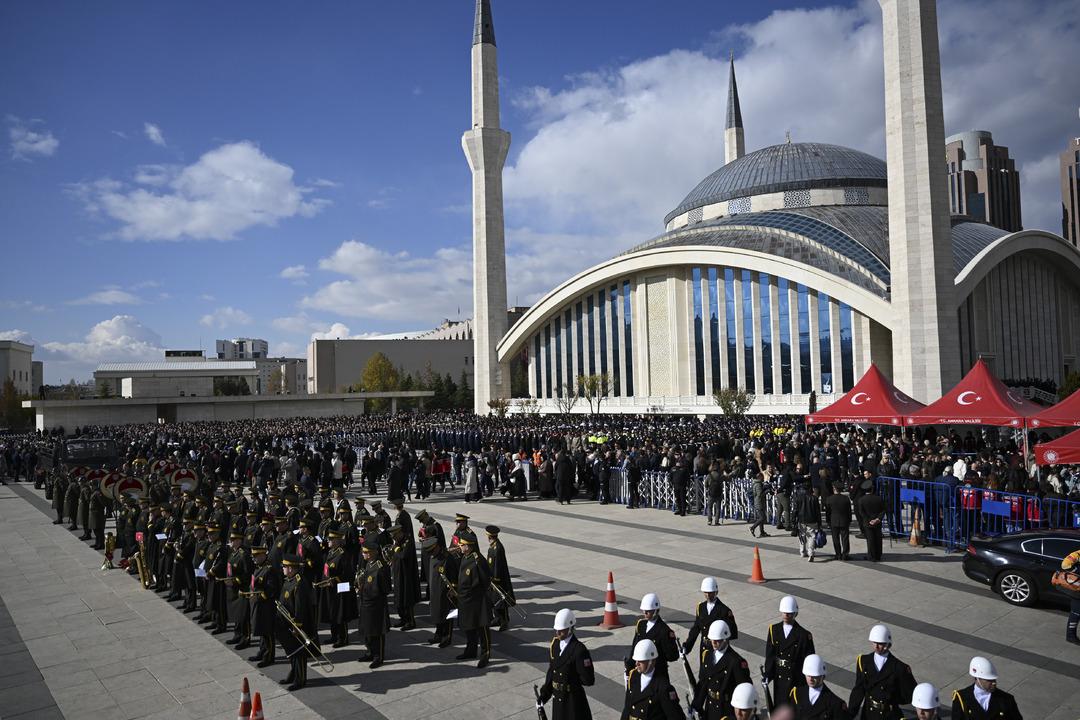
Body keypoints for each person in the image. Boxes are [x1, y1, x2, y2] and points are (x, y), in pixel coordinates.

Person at [848, 624, 917, 720]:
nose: (876, 646)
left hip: (888, 714)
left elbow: (910, 694)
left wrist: (893, 700)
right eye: (874, 642)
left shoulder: (899, 667)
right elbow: (858, 690)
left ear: (888, 644)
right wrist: (850, 713)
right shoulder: (863, 661)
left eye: (880, 643)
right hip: (868, 713)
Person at [536, 608, 595, 719]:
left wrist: (571, 681)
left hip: (572, 702)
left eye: (561, 630)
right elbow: (552, 672)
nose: (558, 633)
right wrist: (544, 694)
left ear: (570, 629)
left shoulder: (579, 650)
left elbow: (588, 680)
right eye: (557, 630)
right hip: (558, 700)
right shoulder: (555, 645)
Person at [690, 620, 751, 719]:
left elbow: (745, 690)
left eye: (717, 640)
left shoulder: (736, 661)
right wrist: (696, 705)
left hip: (726, 710)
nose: (713, 642)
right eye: (712, 639)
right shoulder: (707, 655)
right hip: (710, 707)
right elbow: (703, 682)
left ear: (725, 639)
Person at [763, 596, 815, 708]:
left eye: (789, 613)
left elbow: (810, 661)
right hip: (779, 675)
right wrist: (767, 674)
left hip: (795, 677)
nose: (786, 615)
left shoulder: (804, 635)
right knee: (779, 705)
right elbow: (770, 656)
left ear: (795, 613)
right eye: (784, 612)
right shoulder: (774, 630)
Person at [275, 553, 317, 691]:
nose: (282, 568)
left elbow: (301, 607)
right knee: (291, 651)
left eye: (285, 566)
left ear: (292, 568)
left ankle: (300, 679)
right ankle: (294, 673)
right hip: (285, 622)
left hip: (296, 624)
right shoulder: (289, 579)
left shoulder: (300, 582)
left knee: (298, 653)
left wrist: (297, 626)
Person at [455, 531, 493, 668]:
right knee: (469, 627)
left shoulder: (478, 560)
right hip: (467, 601)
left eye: (462, 544)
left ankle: (485, 654)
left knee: (482, 628)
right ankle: (470, 650)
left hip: (478, 601)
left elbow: (485, 581)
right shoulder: (465, 556)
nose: (459, 546)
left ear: (469, 546)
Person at [621, 639, 684, 720]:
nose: (637, 664)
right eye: (636, 660)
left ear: (651, 661)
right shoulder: (634, 675)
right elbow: (627, 707)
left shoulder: (663, 687)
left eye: (641, 661)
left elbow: (675, 717)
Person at [683, 577, 739, 666]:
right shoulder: (700, 607)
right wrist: (687, 646)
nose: (708, 595)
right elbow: (696, 628)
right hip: (704, 648)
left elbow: (732, 632)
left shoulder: (724, 611)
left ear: (716, 592)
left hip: (718, 648)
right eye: (705, 592)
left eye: (710, 593)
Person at [356, 536, 391, 668]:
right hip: (366, 602)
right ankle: (370, 651)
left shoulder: (381, 567)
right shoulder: (368, 564)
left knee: (377, 632)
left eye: (365, 552)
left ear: (372, 552)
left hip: (376, 605)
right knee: (367, 630)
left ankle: (378, 656)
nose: (363, 554)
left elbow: (386, 588)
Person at [627, 593, 680, 680]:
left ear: (656, 611)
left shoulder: (664, 631)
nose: (645, 612)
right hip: (641, 671)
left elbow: (672, 656)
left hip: (657, 674)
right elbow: (634, 648)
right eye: (644, 610)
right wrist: (629, 667)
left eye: (648, 611)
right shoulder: (641, 625)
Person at [950, 657, 1022, 720]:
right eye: (989, 680)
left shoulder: (1007, 699)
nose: (994, 683)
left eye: (994, 680)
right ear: (977, 678)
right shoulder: (961, 698)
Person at [787, 654, 850, 720]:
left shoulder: (836, 703)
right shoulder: (796, 694)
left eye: (814, 676)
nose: (811, 679)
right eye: (808, 675)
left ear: (823, 676)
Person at [248, 545, 281, 667]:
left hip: (266, 606)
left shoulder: (269, 569)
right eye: (253, 556)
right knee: (261, 630)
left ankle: (268, 656)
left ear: (263, 555)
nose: (254, 558)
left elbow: (272, 590)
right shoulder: (259, 568)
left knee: (267, 632)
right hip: (258, 605)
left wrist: (259, 596)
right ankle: (262, 651)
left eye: (256, 556)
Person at [424, 535, 458, 648]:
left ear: (437, 547)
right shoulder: (433, 556)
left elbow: (453, 577)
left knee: (447, 615)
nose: (431, 554)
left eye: (432, 551)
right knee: (437, 614)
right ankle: (438, 634)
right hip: (435, 590)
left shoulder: (447, 558)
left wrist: (452, 590)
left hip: (446, 593)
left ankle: (447, 636)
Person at [486, 525, 516, 631]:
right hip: (493, 578)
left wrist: (495, 580)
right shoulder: (493, 546)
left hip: (498, 580)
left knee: (501, 601)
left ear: (489, 536)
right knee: (494, 600)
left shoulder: (497, 548)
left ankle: (504, 621)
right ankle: (497, 618)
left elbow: (497, 566)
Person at [856, 487, 886, 562]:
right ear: (872, 489)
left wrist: (869, 520)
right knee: (878, 538)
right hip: (877, 522)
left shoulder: (861, 500)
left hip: (867, 522)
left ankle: (871, 556)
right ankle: (878, 555)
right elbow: (883, 510)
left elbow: (861, 512)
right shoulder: (879, 499)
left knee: (870, 539)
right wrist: (878, 519)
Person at [825, 483, 852, 561]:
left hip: (833, 521)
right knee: (845, 538)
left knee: (835, 539)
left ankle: (838, 554)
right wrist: (849, 520)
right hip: (844, 521)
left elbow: (828, 512)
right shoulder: (846, 498)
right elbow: (849, 511)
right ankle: (845, 554)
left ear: (834, 489)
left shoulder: (829, 499)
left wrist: (828, 521)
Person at [796, 486, 823, 562]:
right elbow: (818, 512)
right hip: (812, 520)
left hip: (802, 520)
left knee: (802, 535)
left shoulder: (799, 498)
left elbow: (796, 510)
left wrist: (794, 520)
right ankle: (811, 553)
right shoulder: (814, 498)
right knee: (811, 536)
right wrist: (819, 522)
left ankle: (802, 552)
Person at [1060, 545, 1080, 644]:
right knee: (1076, 613)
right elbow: (1065, 565)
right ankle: (1071, 636)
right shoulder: (1078, 554)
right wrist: (1077, 571)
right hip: (1077, 591)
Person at [749, 472, 770, 538]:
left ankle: (762, 532)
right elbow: (760, 494)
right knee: (762, 518)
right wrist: (767, 491)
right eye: (762, 477)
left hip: (759, 502)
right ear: (760, 477)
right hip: (759, 503)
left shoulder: (757, 483)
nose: (763, 478)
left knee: (762, 517)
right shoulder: (758, 484)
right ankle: (752, 527)